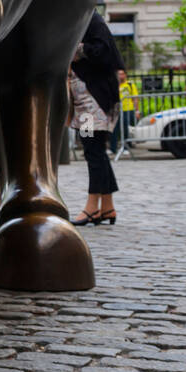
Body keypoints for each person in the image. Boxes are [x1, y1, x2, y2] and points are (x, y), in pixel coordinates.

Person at [69, 11, 126, 225]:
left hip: (92, 102)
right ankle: (108, 206)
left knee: (93, 151)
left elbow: (104, 52)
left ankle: (92, 207)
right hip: (87, 101)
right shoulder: (82, 19)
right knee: (97, 151)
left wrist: (76, 49)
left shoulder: (91, 20)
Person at [112, 68, 140, 155]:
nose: (120, 76)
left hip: (127, 109)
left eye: (122, 74)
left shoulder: (130, 84)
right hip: (116, 110)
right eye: (119, 74)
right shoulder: (114, 85)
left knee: (125, 129)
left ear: (125, 75)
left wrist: (137, 110)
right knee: (114, 129)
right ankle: (113, 148)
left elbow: (135, 98)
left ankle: (126, 147)